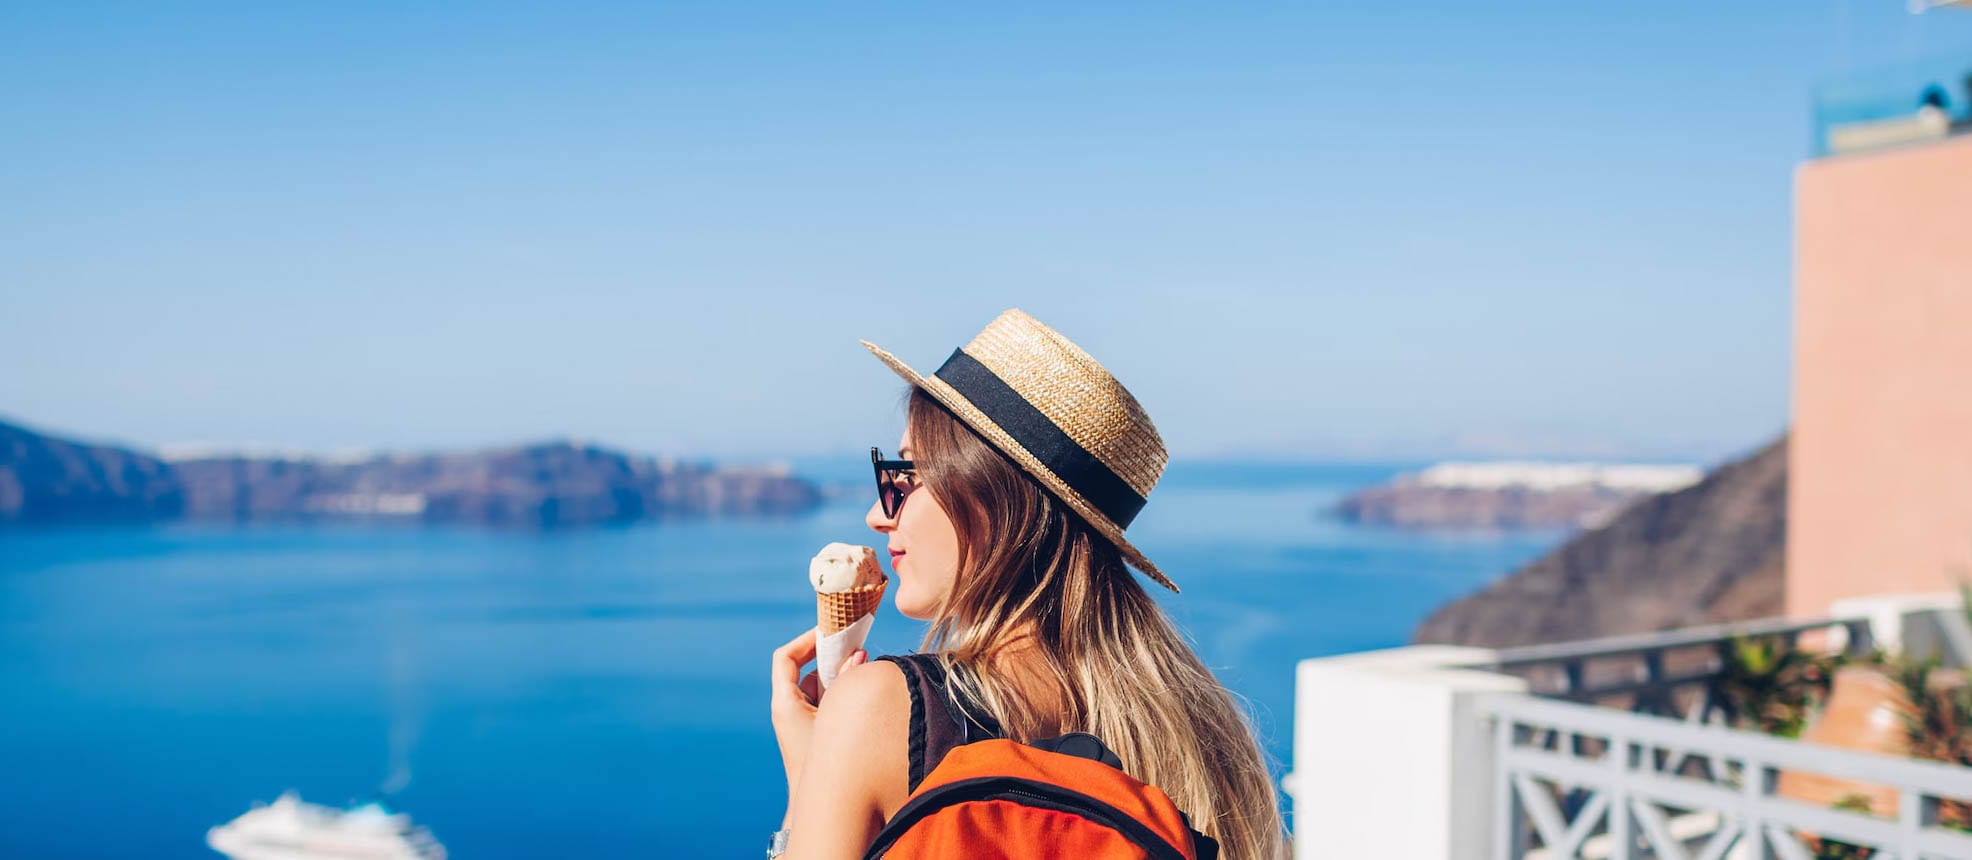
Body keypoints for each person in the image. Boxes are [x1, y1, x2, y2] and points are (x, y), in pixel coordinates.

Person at [768, 309, 1286, 860]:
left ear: (994, 496)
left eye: (909, 473)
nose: (878, 512)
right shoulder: (1208, 737)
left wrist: (809, 784)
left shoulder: (879, 710)